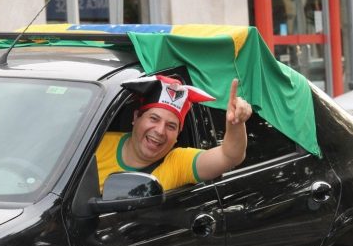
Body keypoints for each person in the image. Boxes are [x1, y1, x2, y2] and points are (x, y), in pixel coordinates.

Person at [96, 75, 251, 191]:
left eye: (171, 126)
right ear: (136, 117)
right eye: (154, 119)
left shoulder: (177, 162)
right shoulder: (97, 145)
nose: (160, 131)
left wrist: (236, 123)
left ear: (178, 134)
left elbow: (230, 156)